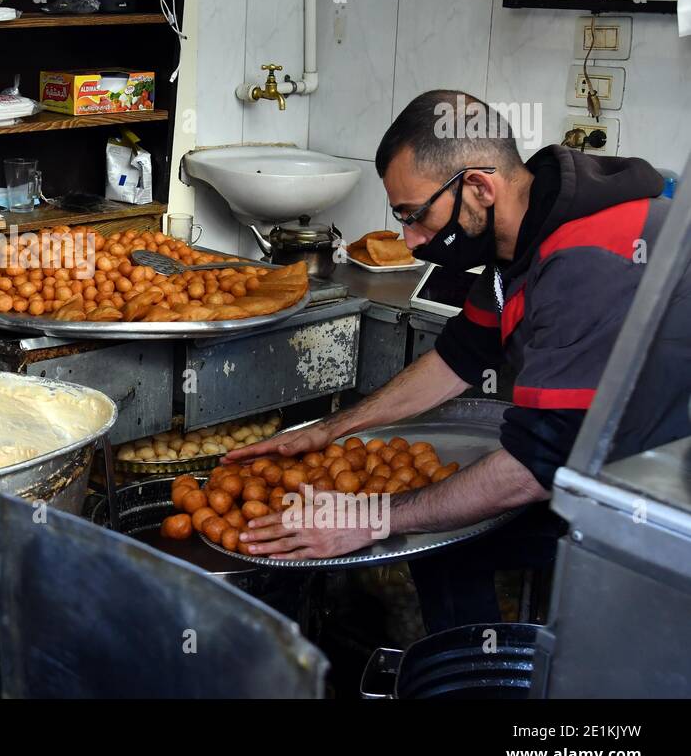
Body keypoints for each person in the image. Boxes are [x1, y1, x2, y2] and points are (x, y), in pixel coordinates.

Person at [228, 90, 691, 629]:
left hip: (661, 495)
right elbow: (460, 357)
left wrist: (371, 517)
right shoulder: (519, 234)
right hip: (602, 458)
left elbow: (536, 466)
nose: (411, 239)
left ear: (477, 186)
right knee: (447, 551)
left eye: (416, 215)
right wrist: (332, 428)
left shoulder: (586, 258)